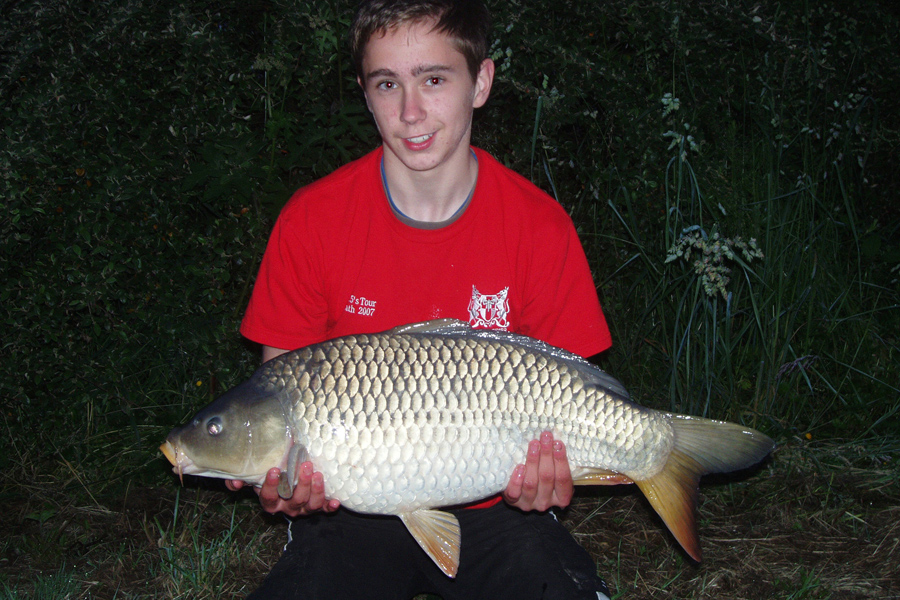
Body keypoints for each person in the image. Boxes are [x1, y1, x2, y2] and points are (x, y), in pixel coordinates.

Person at [230, 0, 614, 597]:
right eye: (388, 84)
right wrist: (282, 486)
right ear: (365, 93)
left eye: (434, 80)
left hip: (501, 512)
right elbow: (275, 399)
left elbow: (579, 390)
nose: (411, 112)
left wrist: (553, 478)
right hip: (348, 515)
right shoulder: (311, 222)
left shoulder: (540, 227)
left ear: (480, 82)